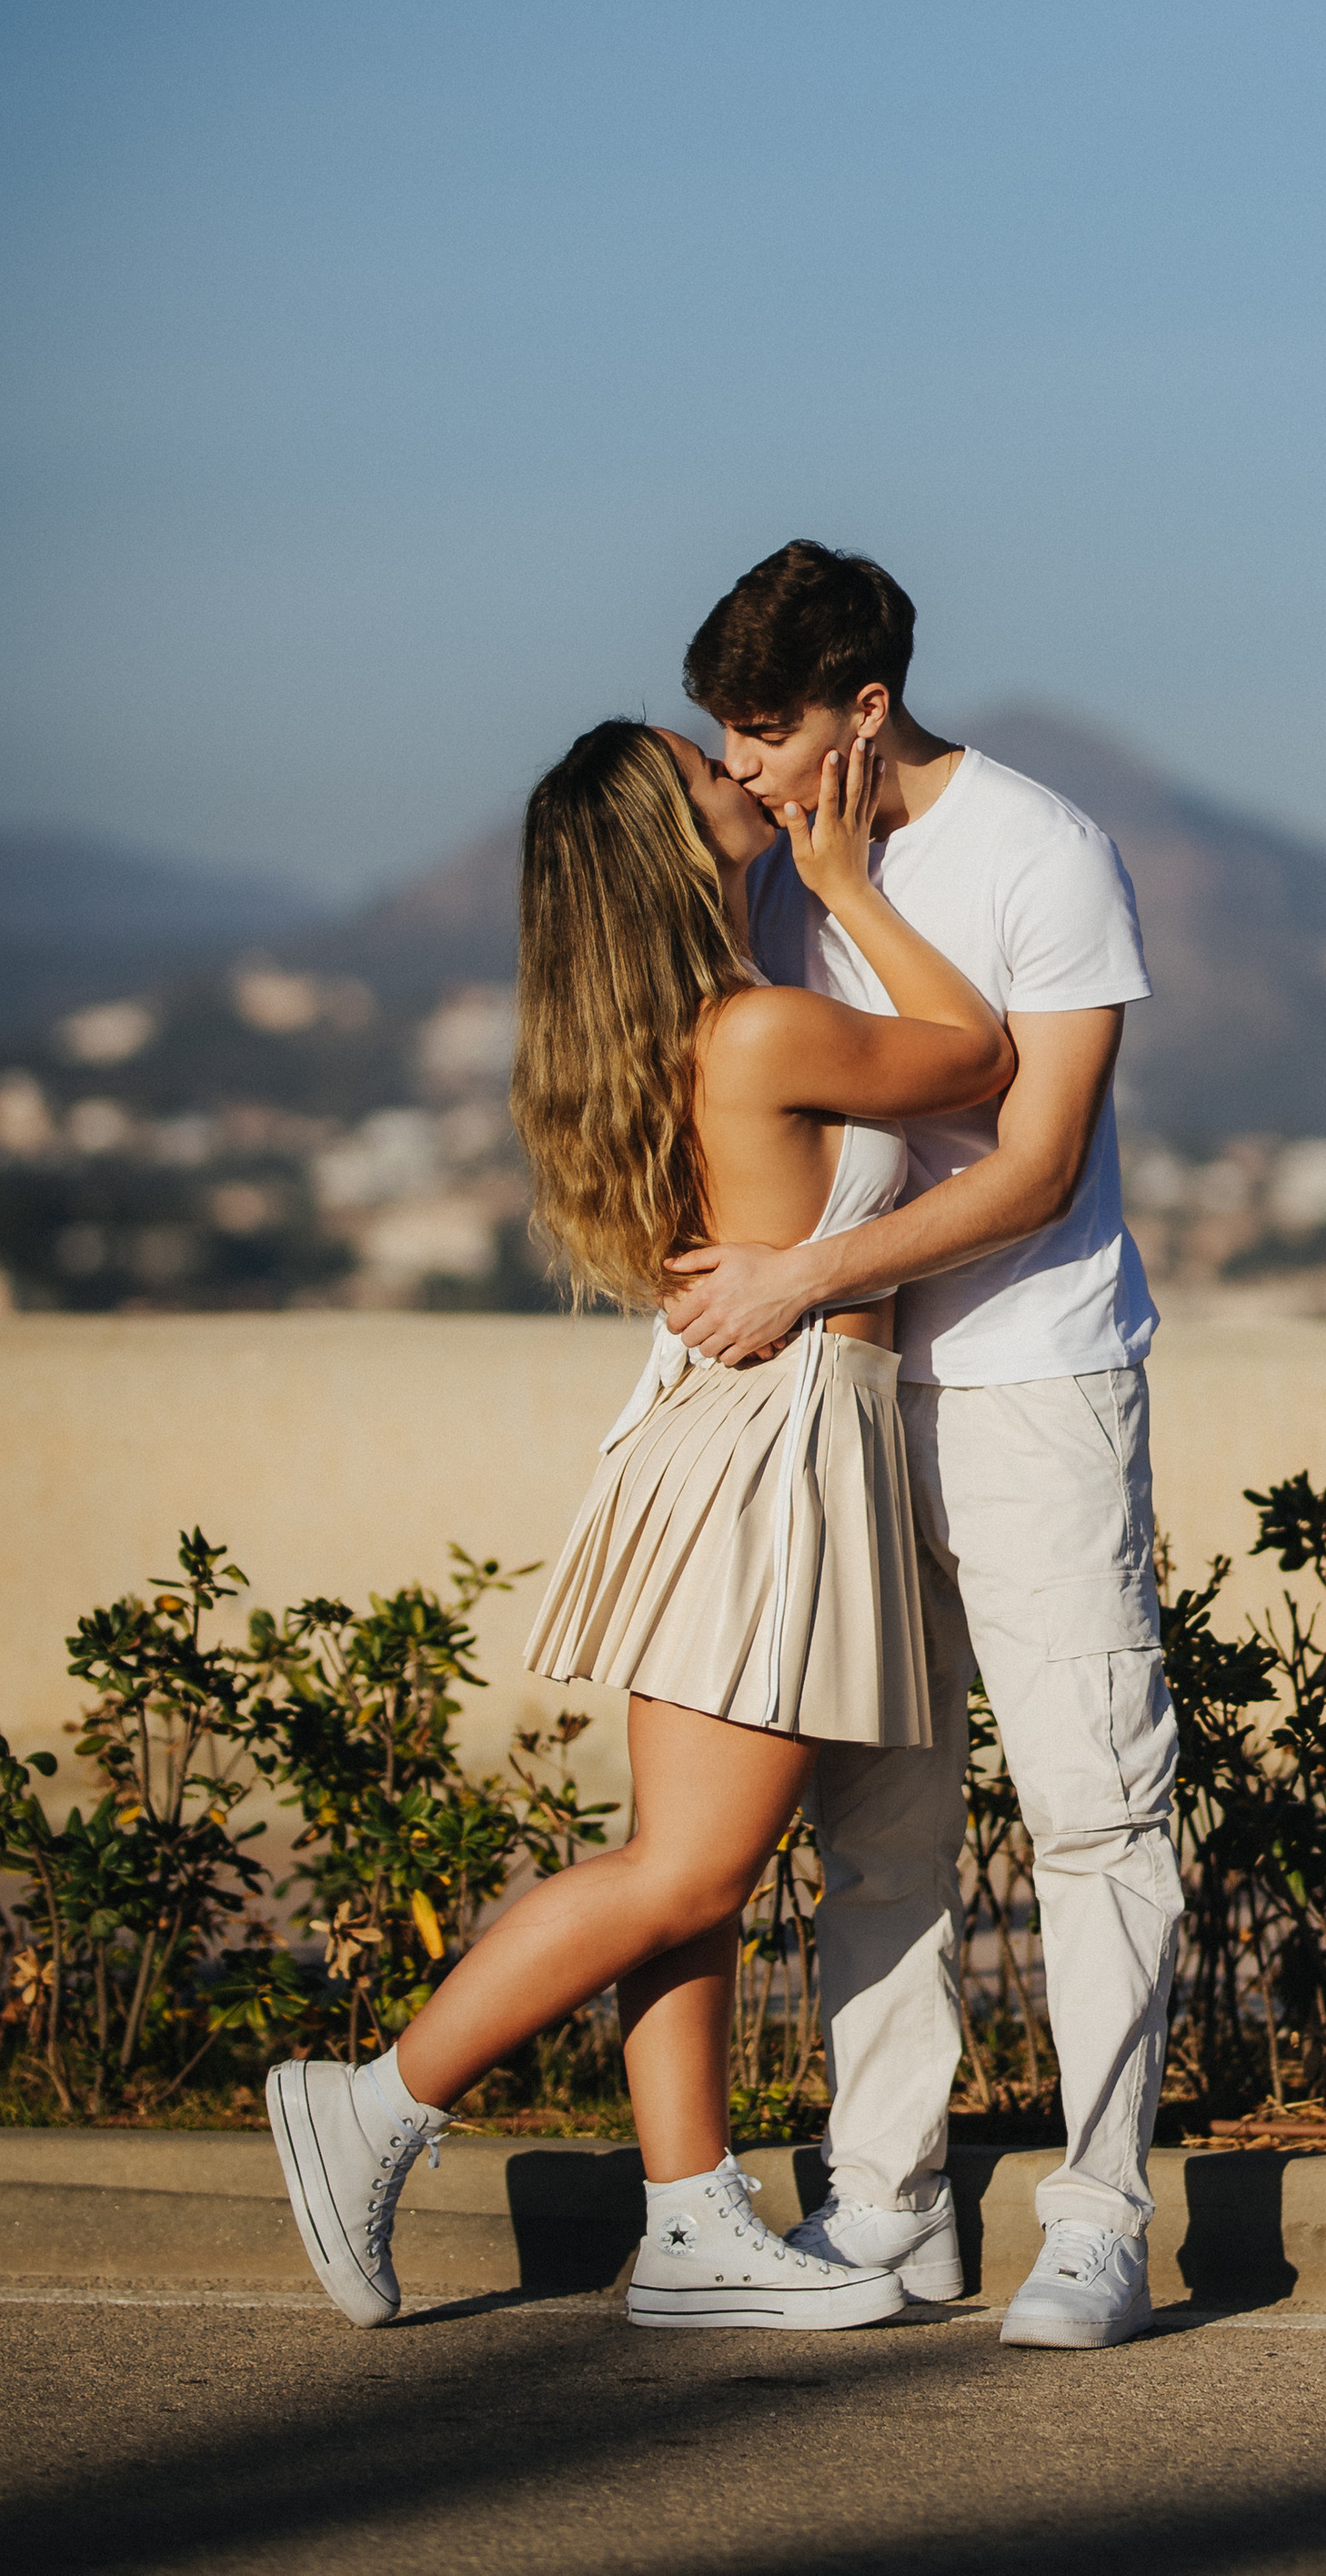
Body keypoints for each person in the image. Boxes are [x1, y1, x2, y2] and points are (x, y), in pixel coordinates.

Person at [266, 719, 1013, 2334]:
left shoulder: (693, 1027)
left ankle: (687, 2217)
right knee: (684, 1868)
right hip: (781, 1445)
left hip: (749, 1437)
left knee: (693, 1878)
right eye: (708, 777)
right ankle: (376, 2102)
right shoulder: (750, 1032)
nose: (744, 778)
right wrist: (851, 883)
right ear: (669, 847)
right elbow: (978, 1056)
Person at [663, 541, 1176, 2352]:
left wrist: (798, 1274)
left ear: (862, 708)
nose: (745, 777)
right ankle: (881, 2205)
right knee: (873, 1826)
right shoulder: (776, 883)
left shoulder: (1043, 852)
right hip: (850, 1409)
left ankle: (1099, 2219)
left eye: (767, 739)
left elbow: (1031, 1166)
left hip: (1034, 1385)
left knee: (1093, 1809)